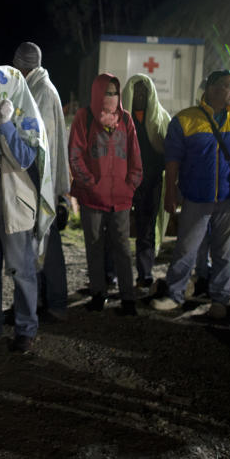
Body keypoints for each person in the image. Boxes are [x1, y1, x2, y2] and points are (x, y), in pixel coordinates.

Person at [150, 70, 230, 319]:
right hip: (196, 198)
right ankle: (174, 294)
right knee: (185, 249)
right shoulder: (185, 120)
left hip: (229, 199)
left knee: (224, 253)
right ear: (211, 88)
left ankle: (219, 300)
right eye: (227, 86)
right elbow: (172, 160)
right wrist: (171, 192)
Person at [0, 65, 55, 352]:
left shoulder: (28, 118)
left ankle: (26, 328)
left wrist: (5, 125)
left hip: (16, 205)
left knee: (21, 270)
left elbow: (24, 159)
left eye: (0, 85)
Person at [69, 73, 143, 316]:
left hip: (120, 199)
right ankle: (98, 294)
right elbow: (76, 154)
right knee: (94, 247)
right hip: (93, 198)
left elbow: (135, 156)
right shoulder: (84, 117)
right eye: (107, 92)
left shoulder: (126, 120)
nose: (111, 97)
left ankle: (128, 298)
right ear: (97, 93)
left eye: (115, 93)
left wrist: (130, 184)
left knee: (122, 248)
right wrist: (90, 183)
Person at [14, 41, 71, 321]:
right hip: (40, 182)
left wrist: (40, 185)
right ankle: (44, 302)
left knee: (47, 243)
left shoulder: (42, 92)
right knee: (44, 243)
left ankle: (55, 303)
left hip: (41, 182)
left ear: (22, 67)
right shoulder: (38, 88)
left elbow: (41, 143)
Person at [122, 74, 172, 291]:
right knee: (117, 230)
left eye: (145, 91)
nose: (140, 95)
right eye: (136, 91)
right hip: (124, 183)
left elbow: (170, 153)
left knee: (146, 230)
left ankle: (145, 274)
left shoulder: (162, 119)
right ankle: (112, 274)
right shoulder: (121, 120)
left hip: (151, 183)